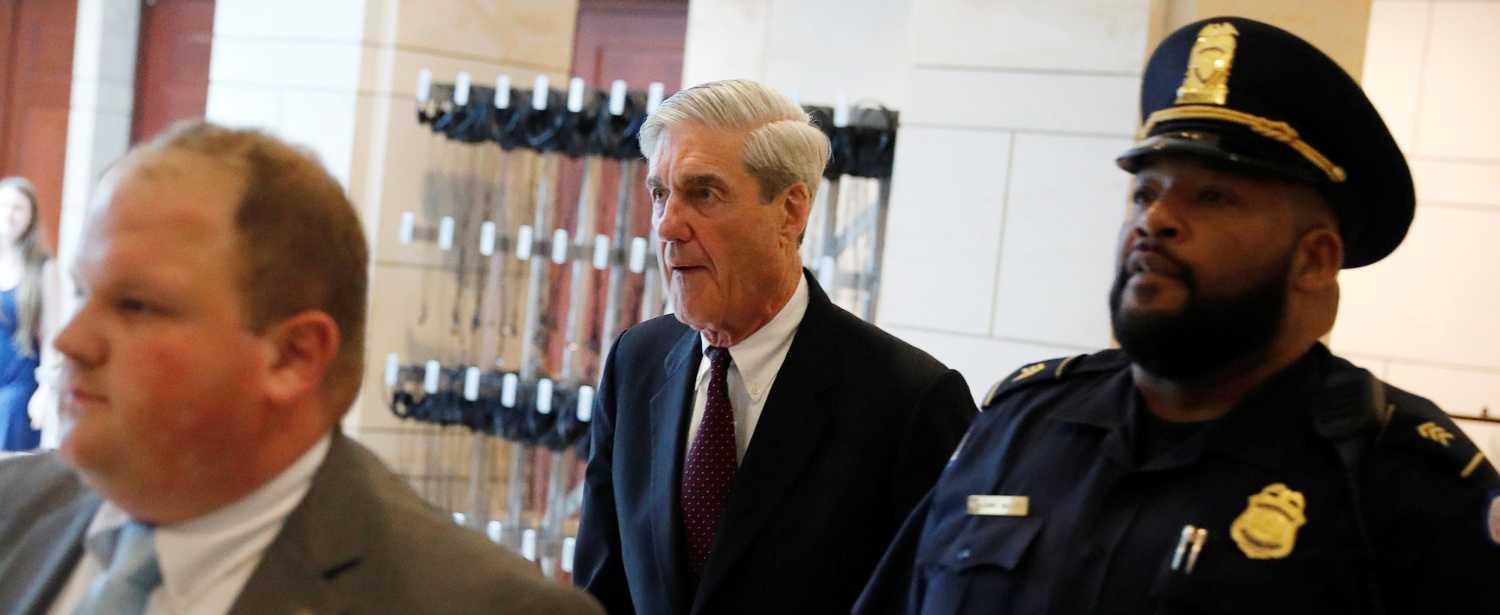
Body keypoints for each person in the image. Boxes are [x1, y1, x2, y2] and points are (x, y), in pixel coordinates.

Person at [855, 16, 1500, 615]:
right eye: (1145, 192)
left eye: (1214, 197)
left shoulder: (1402, 482)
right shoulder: (1019, 426)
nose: (1156, 220)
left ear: (1314, 259)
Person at [0, 122, 603, 615]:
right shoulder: (12, 510)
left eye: (137, 306)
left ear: (293, 357)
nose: (70, 340)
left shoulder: (475, 604)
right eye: (82, 292)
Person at [574, 79, 977, 615]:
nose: (668, 225)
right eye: (659, 193)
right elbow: (600, 590)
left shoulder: (911, 400)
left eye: (703, 194)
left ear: (790, 211)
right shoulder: (636, 361)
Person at [0, 177, 45, 451]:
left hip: (18, 386)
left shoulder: (43, 268)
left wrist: (46, 389)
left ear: (31, 217)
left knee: (9, 467)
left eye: (18, 208)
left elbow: (52, 336)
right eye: (4, 205)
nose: (9, 213)